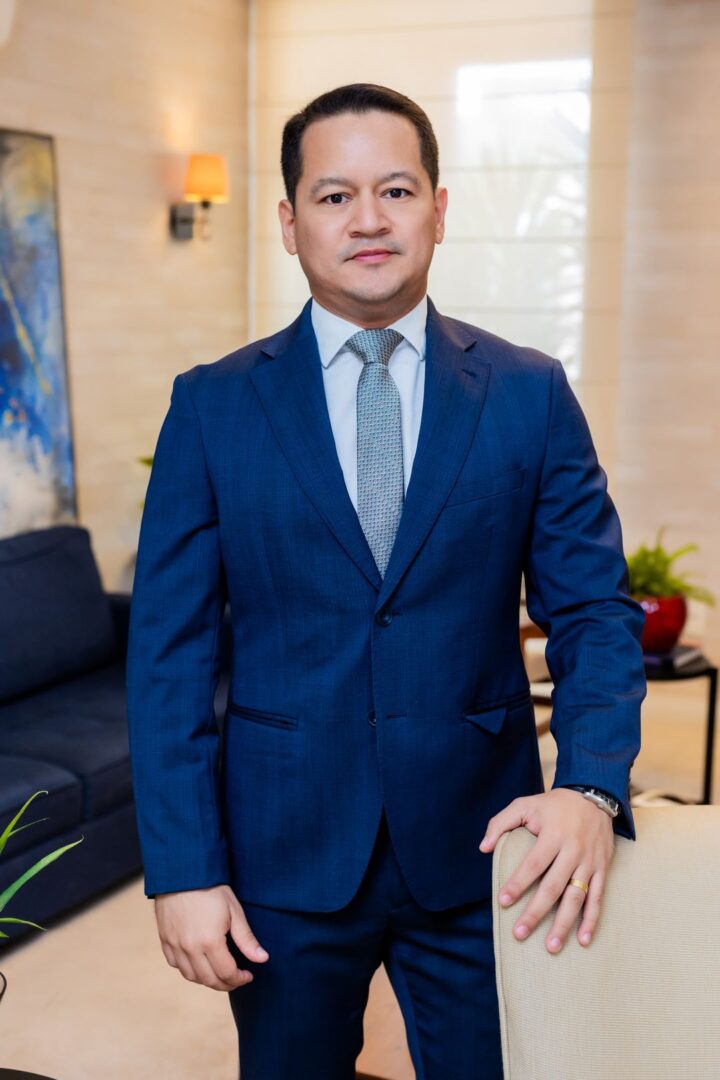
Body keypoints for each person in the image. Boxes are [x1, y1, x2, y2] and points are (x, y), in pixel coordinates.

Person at [126, 82, 647, 1079]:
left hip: (486, 851)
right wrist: (182, 871)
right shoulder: (211, 407)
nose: (368, 219)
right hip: (282, 855)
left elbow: (593, 611)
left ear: (438, 211)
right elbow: (168, 660)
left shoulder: (529, 393)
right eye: (334, 196)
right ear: (290, 223)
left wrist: (589, 784)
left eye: (396, 191)